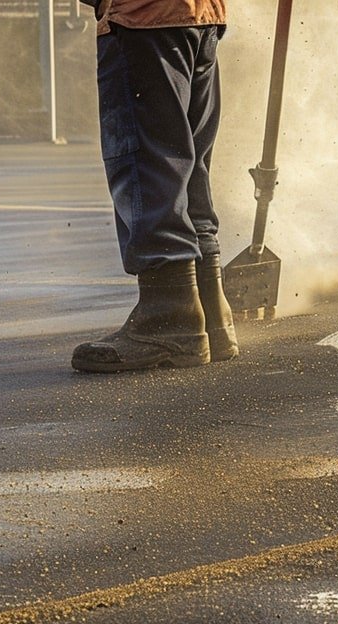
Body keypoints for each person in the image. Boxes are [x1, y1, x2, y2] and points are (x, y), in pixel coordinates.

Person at [71, 0, 238, 372]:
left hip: (142, 16)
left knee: (149, 160)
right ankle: (209, 309)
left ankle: (170, 316)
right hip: (201, 16)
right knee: (187, 160)